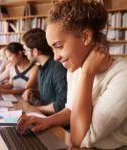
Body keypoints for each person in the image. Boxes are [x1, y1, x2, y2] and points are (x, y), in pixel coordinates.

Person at [17, 0, 127, 149]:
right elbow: (71, 110)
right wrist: (45, 121)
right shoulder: (75, 68)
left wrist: (87, 73)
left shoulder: (122, 75)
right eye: (52, 48)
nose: (55, 57)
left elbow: (78, 139)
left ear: (86, 37)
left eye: (59, 46)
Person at [21, 28, 67, 115]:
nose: (25, 54)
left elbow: (61, 105)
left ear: (35, 51)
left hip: (57, 124)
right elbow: (49, 96)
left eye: (26, 50)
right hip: (44, 118)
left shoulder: (58, 67)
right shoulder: (41, 67)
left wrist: (34, 109)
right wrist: (33, 93)